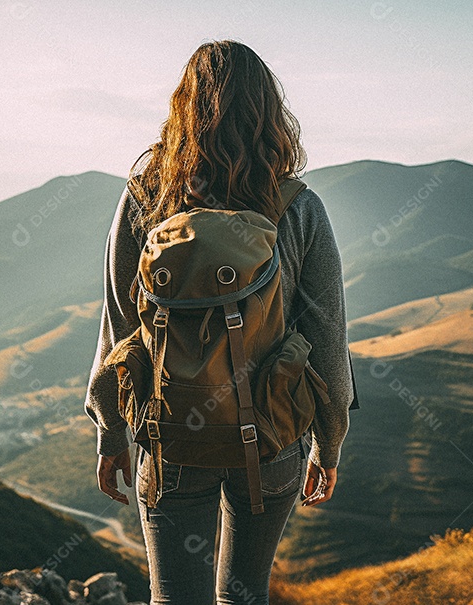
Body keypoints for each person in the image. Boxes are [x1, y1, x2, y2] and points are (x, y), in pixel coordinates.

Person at [84, 40, 357, 604]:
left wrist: (111, 431)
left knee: (174, 599)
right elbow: (326, 337)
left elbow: (118, 327)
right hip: (273, 436)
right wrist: (328, 443)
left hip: (170, 434)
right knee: (244, 596)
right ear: (269, 114)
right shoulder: (298, 208)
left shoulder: (144, 201)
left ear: (182, 110)